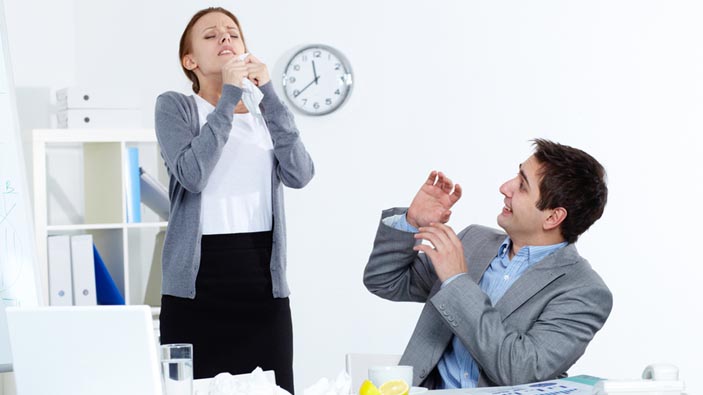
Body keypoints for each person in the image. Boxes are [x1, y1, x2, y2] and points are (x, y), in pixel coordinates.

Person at [363, 139, 612, 389]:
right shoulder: (473, 241)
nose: (505, 188)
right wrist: (412, 221)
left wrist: (456, 282)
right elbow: (385, 281)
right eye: (517, 175)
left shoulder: (585, 291)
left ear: (553, 217)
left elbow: (521, 370)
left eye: (523, 186)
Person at [154, 7, 314, 393]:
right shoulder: (176, 106)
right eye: (210, 36)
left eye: (232, 34)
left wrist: (270, 94)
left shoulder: (264, 112)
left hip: (261, 281)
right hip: (196, 284)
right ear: (189, 61)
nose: (225, 39)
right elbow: (192, 175)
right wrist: (228, 99)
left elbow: (300, 174)